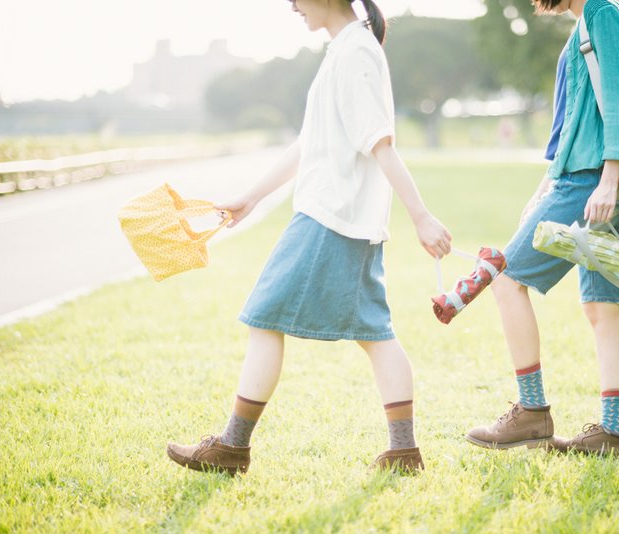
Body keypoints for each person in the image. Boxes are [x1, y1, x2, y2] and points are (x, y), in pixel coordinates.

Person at [167, 0, 452, 475]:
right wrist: (252, 197)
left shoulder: (355, 53)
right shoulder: (346, 49)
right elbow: (311, 143)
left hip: (329, 217)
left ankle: (233, 448)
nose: (293, 5)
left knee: (264, 318)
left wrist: (420, 216)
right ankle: (404, 451)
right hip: (342, 219)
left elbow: (380, 143)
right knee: (375, 333)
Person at [465, 0, 619, 457]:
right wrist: (546, 183)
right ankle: (611, 434)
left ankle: (532, 412)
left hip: (592, 182)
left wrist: (607, 178)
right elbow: (576, 118)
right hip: (586, 180)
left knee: (506, 279)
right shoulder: (590, 18)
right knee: (602, 309)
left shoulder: (603, 12)